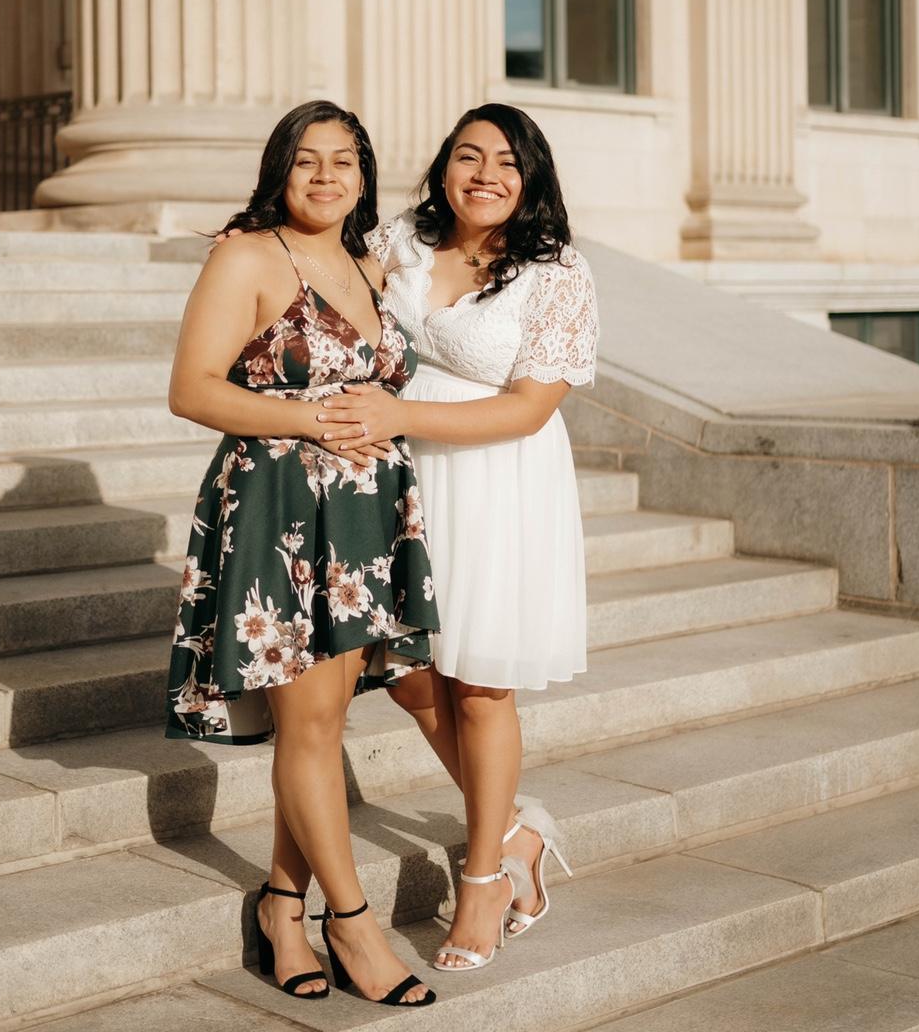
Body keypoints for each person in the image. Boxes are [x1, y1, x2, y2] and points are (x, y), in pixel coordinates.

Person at [165, 100, 439, 1007]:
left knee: (322, 723)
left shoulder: (367, 260)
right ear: (280, 170)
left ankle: (285, 902)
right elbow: (192, 390)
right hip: (281, 510)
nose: (326, 176)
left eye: (345, 161)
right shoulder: (247, 254)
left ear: (365, 174)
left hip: (364, 519)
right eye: (307, 161)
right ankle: (351, 922)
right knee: (311, 725)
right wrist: (312, 418)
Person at [315, 103, 598, 972]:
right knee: (407, 675)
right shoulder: (404, 239)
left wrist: (398, 410)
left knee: (478, 686)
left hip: (496, 481)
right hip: (405, 480)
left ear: (531, 178)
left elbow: (530, 405)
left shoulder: (557, 273)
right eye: (468, 156)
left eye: (507, 162)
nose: (485, 174)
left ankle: (484, 877)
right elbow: (323, 270)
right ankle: (518, 833)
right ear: (444, 166)